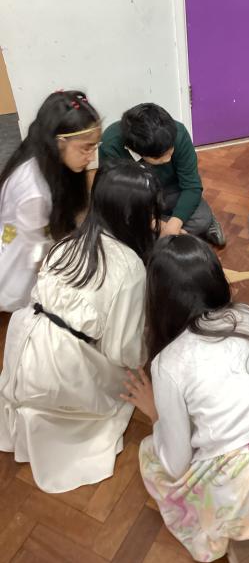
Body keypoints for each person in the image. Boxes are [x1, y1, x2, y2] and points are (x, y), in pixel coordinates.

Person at [121, 235, 249, 563]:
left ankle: (241, 526)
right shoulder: (247, 315)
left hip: (241, 479)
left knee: (153, 458)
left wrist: (155, 414)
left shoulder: (168, 362)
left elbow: (176, 463)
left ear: (158, 300)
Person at [0, 161, 161, 493]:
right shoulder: (130, 267)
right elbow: (123, 349)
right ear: (131, 217)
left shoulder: (69, 242)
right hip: (60, 367)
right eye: (149, 214)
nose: (153, 222)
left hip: (21, 341)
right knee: (123, 380)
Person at [0, 90, 101, 312]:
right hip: (23, 253)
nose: (92, 156)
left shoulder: (51, 162)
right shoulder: (33, 191)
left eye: (95, 146)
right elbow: (35, 252)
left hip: (33, 236)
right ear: (60, 142)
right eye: (86, 147)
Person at [99, 102, 226, 246]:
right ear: (137, 151)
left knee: (202, 219)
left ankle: (163, 236)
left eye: (171, 148)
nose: (169, 158)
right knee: (116, 227)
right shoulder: (111, 144)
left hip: (170, 191)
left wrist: (174, 224)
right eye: (160, 157)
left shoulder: (178, 133)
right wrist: (155, 223)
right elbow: (117, 197)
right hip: (136, 198)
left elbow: (191, 186)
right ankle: (170, 236)